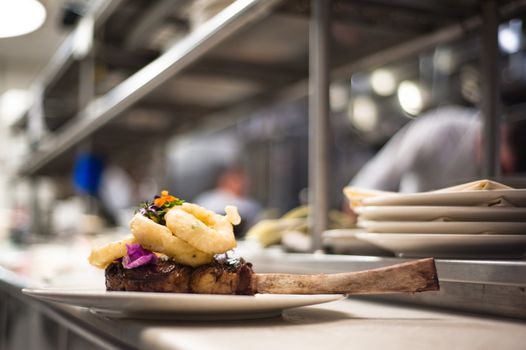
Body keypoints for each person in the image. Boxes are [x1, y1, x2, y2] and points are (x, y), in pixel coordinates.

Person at [349, 105, 526, 193]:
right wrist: (358, 196)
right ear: (500, 134)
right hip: (412, 231)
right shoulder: (441, 130)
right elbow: (388, 166)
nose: (498, 175)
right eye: (502, 167)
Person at [194, 165, 262, 237]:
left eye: (242, 180)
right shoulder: (207, 200)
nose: (240, 184)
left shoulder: (252, 205)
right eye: (235, 180)